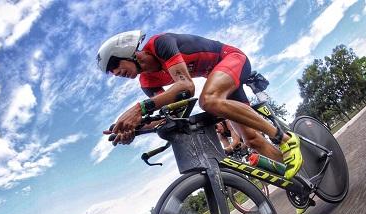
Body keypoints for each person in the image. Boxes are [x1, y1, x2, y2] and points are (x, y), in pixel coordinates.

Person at [97, 31, 303, 182]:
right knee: (251, 140)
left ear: (127, 52)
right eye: (111, 72)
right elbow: (172, 114)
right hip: (217, 78)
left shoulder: (160, 44)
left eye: (115, 65)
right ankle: (302, 179)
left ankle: (285, 139)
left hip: (231, 59)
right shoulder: (147, 83)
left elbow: (186, 86)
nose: (115, 73)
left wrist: (138, 110)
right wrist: (135, 128)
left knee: (209, 101)